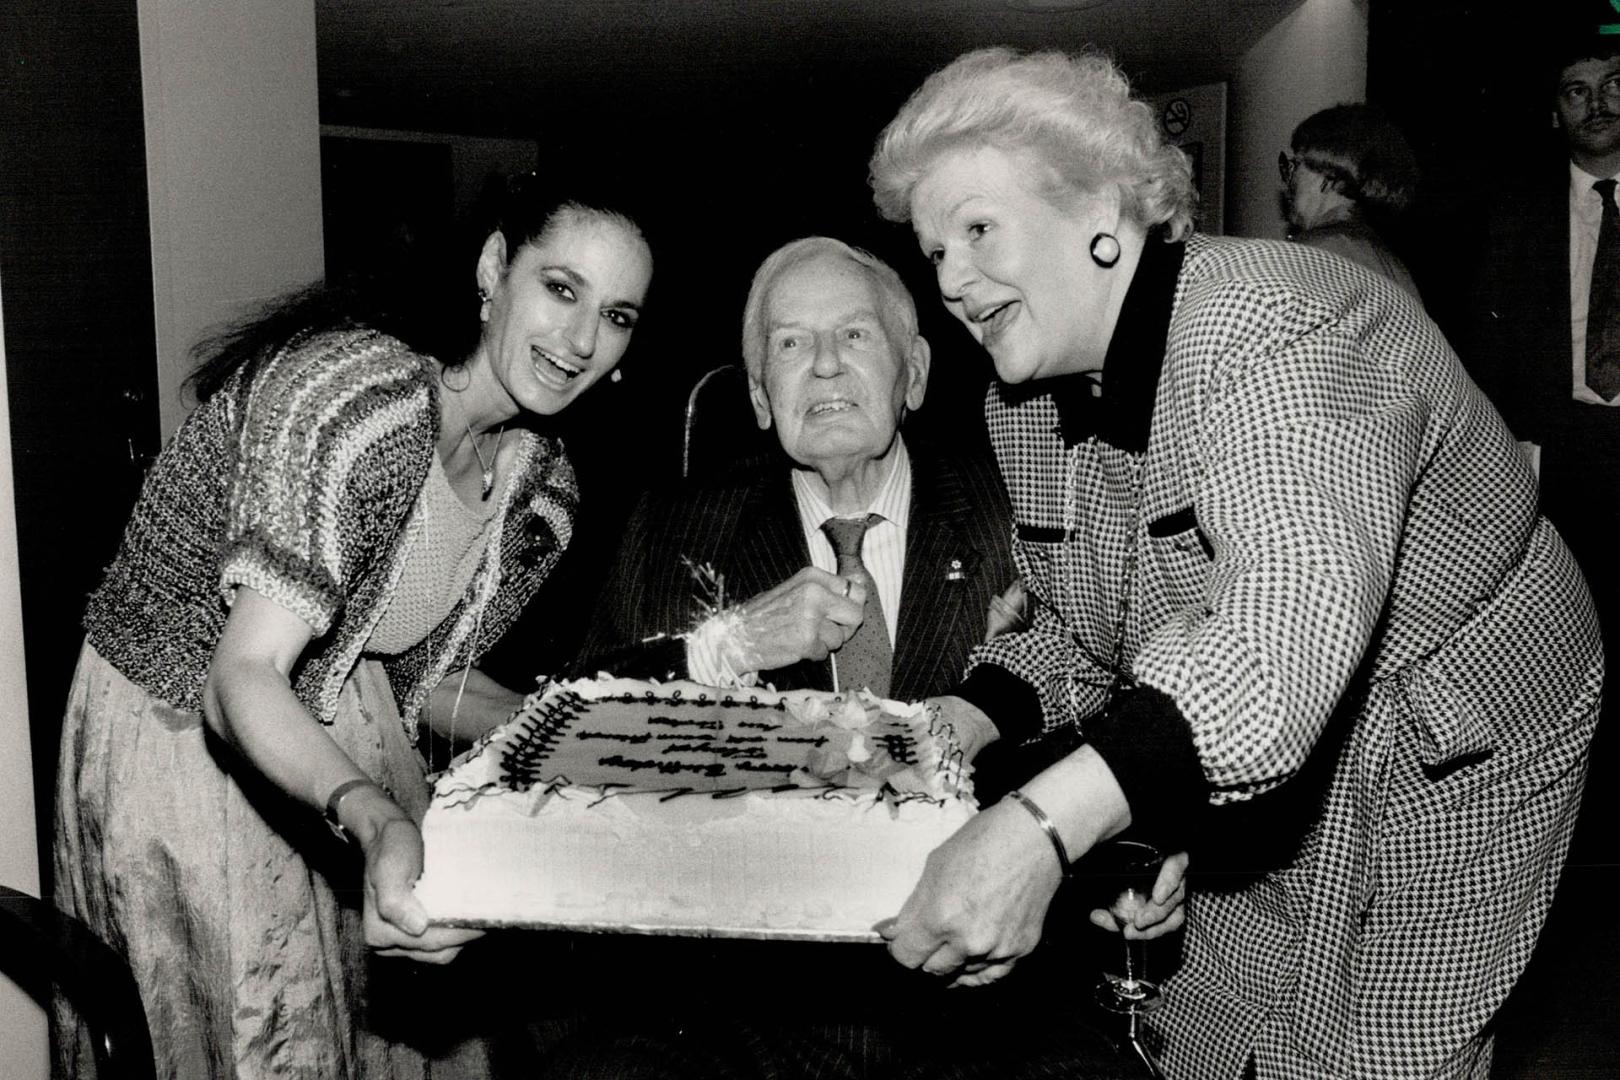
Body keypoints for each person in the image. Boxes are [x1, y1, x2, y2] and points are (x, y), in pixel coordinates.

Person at [866, 46, 1600, 1080]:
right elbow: (1091, 626)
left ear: (1104, 217)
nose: (948, 280)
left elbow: (1274, 642)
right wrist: (966, 719)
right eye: (932, 250)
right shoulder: (1019, 408)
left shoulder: (1282, 326)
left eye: (978, 228)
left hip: (1463, 724)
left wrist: (1038, 830)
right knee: (1211, 1025)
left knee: (1376, 1052)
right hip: (1267, 727)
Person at [51, 172, 654, 1079]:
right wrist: (371, 816)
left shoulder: (542, 491)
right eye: (561, 289)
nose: (579, 340)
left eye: (616, 315)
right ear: (495, 268)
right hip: (181, 718)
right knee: (251, 1031)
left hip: (344, 708)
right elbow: (242, 674)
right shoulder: (351, 399)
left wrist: (601, 741)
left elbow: (429, 688)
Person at [573, 235, 1018, 709]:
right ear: (761, 397)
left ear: (914, 373)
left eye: (854, 335)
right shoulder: (672, 531)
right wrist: (726, 649)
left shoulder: (1014, 514)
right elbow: (572, 707)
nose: (825, 364)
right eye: (791, 342)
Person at [1468, 31, 1620, 864]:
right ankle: (1569, 841)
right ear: (1553, 113)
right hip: (1563, 462)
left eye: (1614, 85)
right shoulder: (1516, 215)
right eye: (1575, 91)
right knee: (1567, 650)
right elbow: (1488, 365)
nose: (1596, 105)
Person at [1279, 102, 1424, 301]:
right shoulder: (1393, 265)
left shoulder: (1315, 252)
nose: (1288, 181)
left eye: (1294, 165)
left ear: (1326, 176)